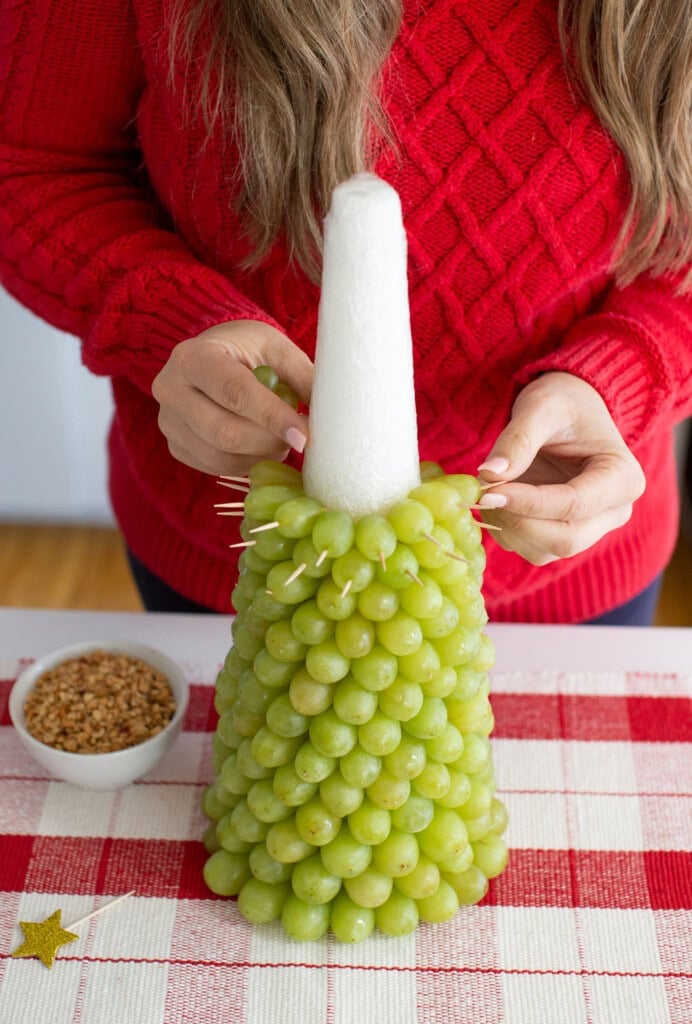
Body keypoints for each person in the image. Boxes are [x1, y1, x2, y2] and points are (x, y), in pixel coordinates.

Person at [0, 0, 689, 624]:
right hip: (246, 564)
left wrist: (620, 375)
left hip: (574, 559)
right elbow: (29, 165)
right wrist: (170, 319)